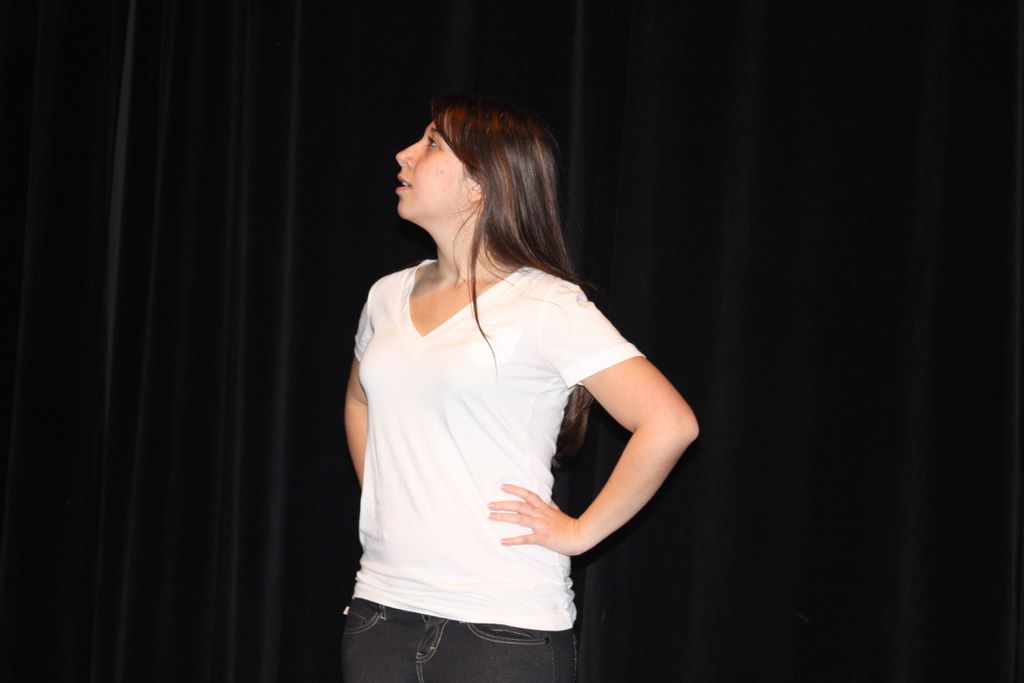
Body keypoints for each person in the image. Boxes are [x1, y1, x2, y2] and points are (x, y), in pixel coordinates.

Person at [342, 94, 698, 682]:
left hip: (503, 629)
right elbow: (359, 401)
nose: (404, 154)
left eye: (432, 143)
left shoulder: (545, 304)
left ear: (481, 184)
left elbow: (669, 423)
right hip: (382, 611)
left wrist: (580, 532)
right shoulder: (386, 295)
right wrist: (386, 497)